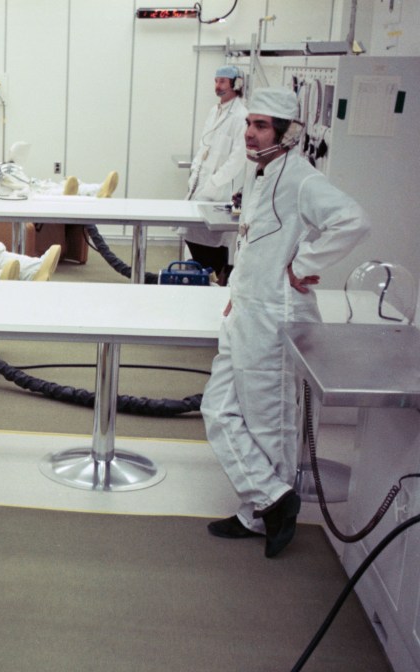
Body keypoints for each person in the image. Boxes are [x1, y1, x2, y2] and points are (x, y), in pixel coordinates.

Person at [201, 87, 369, 558]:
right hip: (247, 308)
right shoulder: (260, 174)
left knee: (268, 423)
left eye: (261, 126)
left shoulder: (300, 178)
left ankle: (260, 515)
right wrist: (237, 293)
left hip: (275, 316)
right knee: (217, 409)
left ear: (287, 133)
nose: (250, 133)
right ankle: (271, 499)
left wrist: (305, 261)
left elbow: (352, 220)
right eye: (249, 124)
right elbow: (255, 241)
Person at [179, 65, 250, 285]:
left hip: (219, 192)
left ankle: (217, 277)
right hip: (201, 187)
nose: (217, 86)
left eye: (222, 81)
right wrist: (195, 174)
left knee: (215, 242)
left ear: (236, 84)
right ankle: (205, 276)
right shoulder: (215, 111)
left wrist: (213, 182)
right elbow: (204, 146)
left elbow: (238, 158)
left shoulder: (241, 116)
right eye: (216, 81)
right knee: (191, 235)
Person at [0, 142, 118, 199]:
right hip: (6, 197)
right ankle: (94, 191)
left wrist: (10, 163)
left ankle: (97, 189)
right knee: (47, 194)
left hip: (19, 188)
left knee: (50, 187)